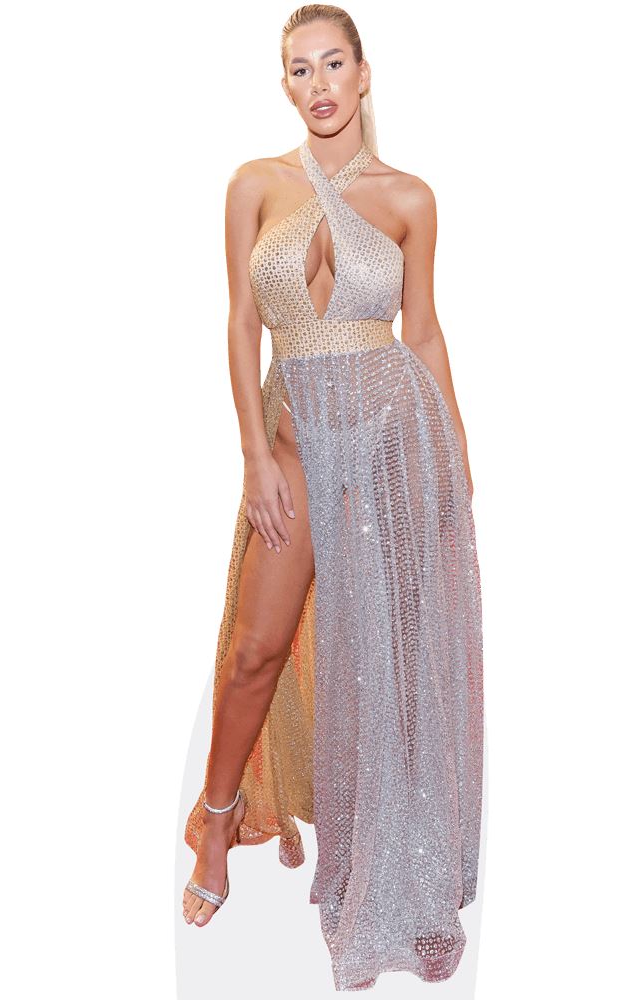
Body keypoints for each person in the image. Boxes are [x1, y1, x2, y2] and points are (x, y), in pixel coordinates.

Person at [180, 4, 485, 990]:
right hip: (292, 441)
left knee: (387, 665)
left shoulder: (410, 198)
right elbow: (240, 323)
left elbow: (422, 330)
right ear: (286, 84)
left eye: (332, 64)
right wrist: (252, 457)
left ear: (363, 73)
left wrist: (455, 463)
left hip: (391, 441)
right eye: (299, 69)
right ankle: (217, 819)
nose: (318, 85)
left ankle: (388, 872)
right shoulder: (254, 184)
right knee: (255, 649)